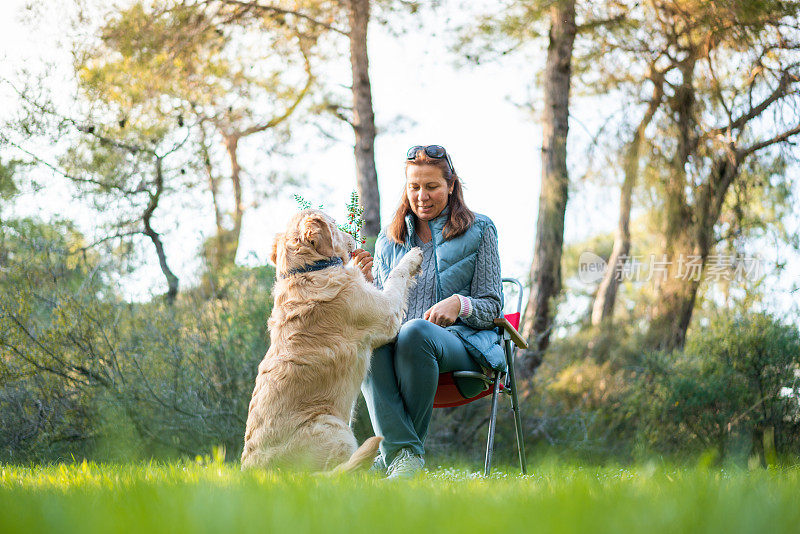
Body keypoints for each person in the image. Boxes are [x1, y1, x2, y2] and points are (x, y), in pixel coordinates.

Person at [350, 144, 505, 479]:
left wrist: (459, 304)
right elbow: (381, 314)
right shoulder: (389, 242)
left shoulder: (480, 230)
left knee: (415, 331)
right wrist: (364, 284)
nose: (422, 195)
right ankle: (404, 456)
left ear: (451, 185)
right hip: (401, 348)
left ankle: (393, 454)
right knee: (365, 341)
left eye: (432, 186)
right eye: (414, 187)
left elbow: (492, 304)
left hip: (464, 347)